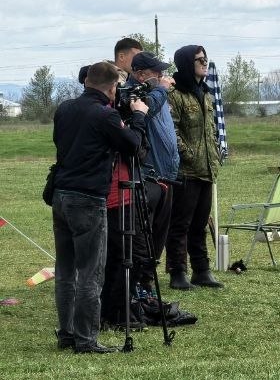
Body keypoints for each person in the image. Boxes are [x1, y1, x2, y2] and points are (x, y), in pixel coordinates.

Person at [51, 62, 149, 353]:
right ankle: (86, 338)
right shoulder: (105, 115)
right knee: (91, 271)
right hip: (88, 198)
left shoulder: (64, 109)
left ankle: (67, 333)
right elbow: (132, 145)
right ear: (111, 87)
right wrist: (139, 117)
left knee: (66, 270)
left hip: (60, 195)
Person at [166, 45, 224, 290]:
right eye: (199, 59)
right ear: (187, 63)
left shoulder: (206, 94)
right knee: (180, 224)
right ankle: (178, 272)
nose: (204, 62)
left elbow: (210, 128)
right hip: (185, 171)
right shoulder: (175, 94)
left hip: (207, 169)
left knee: (200, 223)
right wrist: (187, 155)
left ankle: (202, 270)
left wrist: (216, 153)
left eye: (206, 58)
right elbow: (173, 130)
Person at [128, 51, 178, 291]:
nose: (161, 76)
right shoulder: (138, 95)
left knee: (159, 234)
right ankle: (139, 282)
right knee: (144, 235)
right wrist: (161, 89)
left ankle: (148, 280)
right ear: (140, 75)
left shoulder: (156, 92)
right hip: (146, 175)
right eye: (156, 72)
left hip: (164, 176)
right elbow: (146, 110)